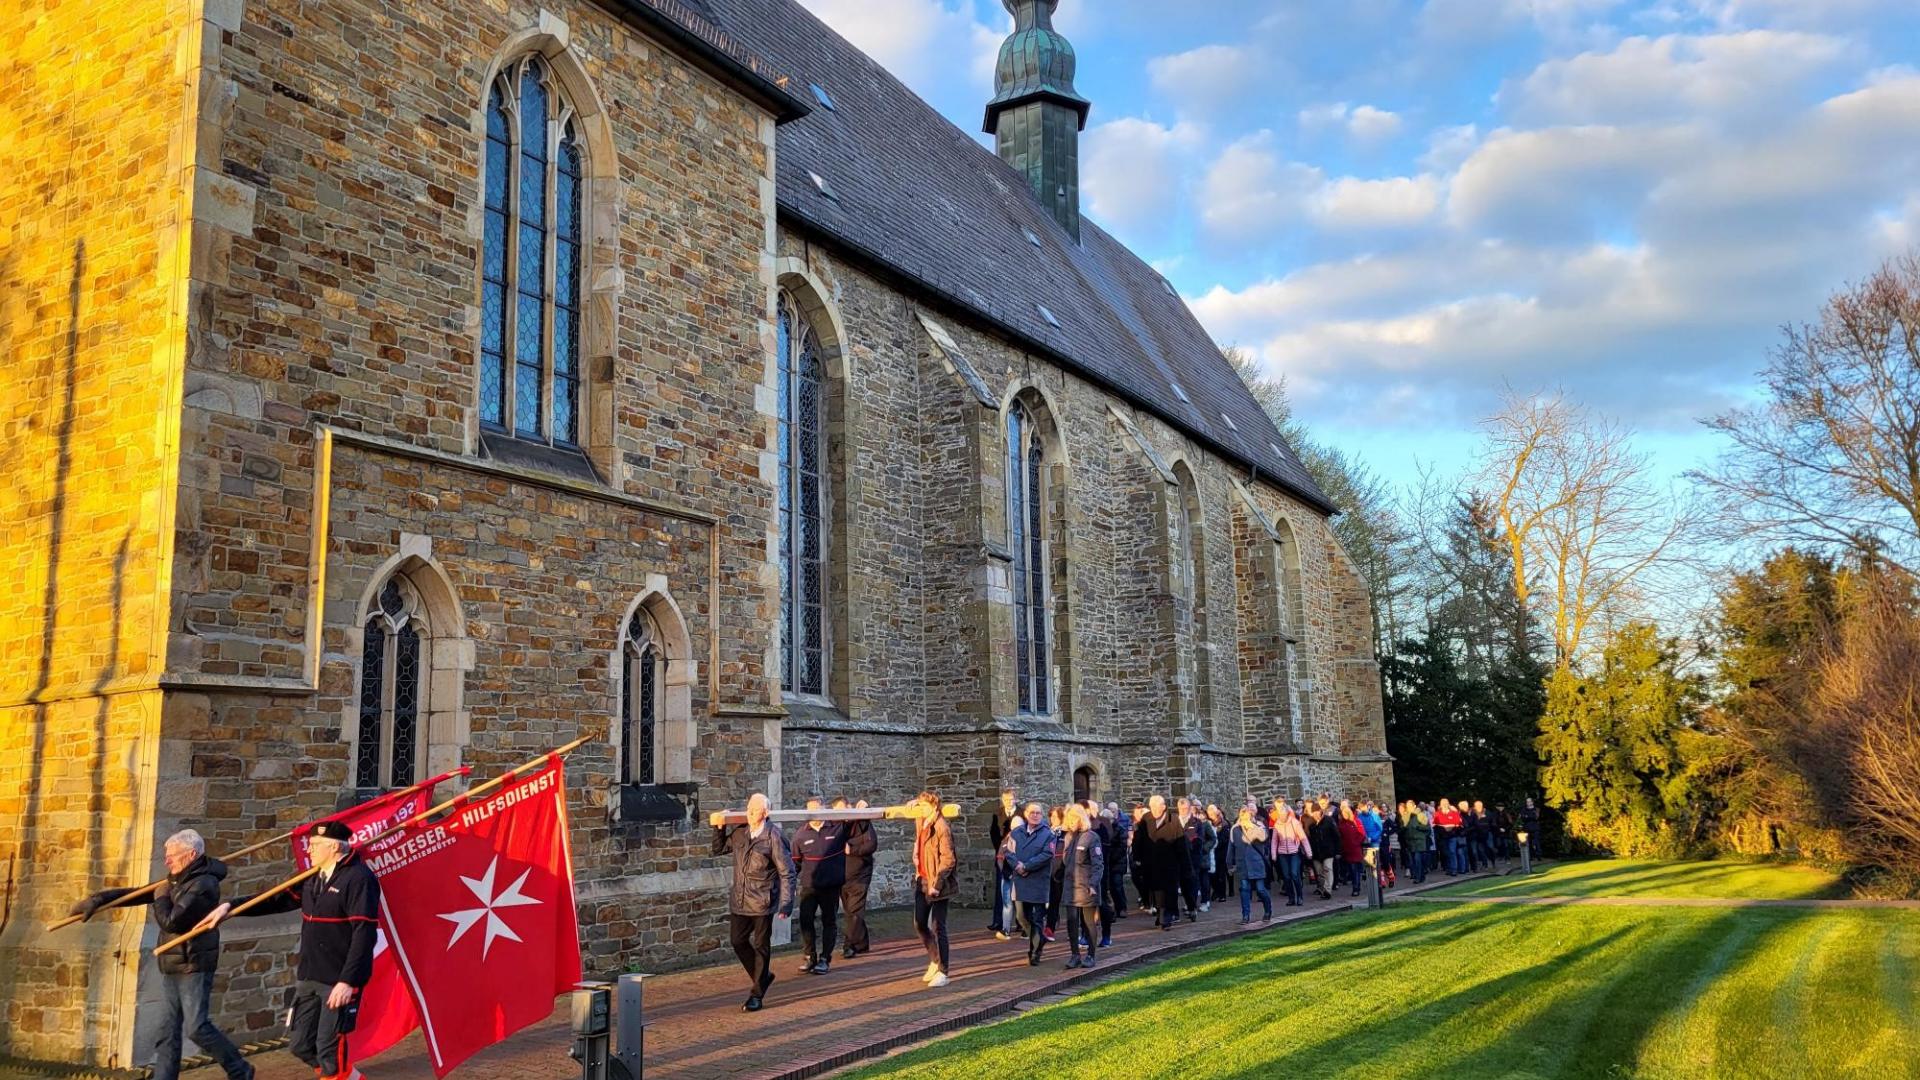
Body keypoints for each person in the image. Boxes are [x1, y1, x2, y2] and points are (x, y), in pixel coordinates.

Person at [198, 820, 378, 1077]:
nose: (309, 850)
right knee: (301, 1045)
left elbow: (364, 933)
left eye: (315, 845)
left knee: (329, 1049)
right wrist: (231, 907)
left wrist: (348, 981)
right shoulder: (311, 877)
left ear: (335, 848)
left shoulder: (359, 879)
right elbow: (275, 899)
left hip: (337, 979)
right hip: (309, 975)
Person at [70, 830, 254, 1080]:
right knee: (167, 1032)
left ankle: (240, 1070)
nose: (167, 861)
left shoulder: (204, 885)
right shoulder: (177, 879)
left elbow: (171, 921)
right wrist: (98, 900)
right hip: (171, 962)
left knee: (197, 1028)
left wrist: (160, 897)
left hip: (193, 964)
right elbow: (139, 892)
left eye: (172, 856)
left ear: (190, 855)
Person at [703, 793, 795, 1011]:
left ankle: (756, 995)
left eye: (755, 810)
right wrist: (719, 827)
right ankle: (763, 976)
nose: (750, 813)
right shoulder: (741, 833)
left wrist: (786, 903)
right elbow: (718, 849)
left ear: (765, 813)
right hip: (740, 899)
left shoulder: (774, 836)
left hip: (762, 901)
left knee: (762, 947)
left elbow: (787, 872)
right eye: (749, 809)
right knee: (737, 941)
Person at [790, 797, 846, 975]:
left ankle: (825, 959)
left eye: (817, 809)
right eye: (811, 811)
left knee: (829, 921)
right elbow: (795, 864)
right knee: (806, 920)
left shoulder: (837, 828)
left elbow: (858, 827)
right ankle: (809, 956)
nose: (814, 814)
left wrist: (862, 809)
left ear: (824, 809)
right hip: (810, 886)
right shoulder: (800, 835)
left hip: (830, 885)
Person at [913, 790, 958, 987]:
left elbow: (948, 859)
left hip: (938, 883)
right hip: (922, 879)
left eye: (924, 806)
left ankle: (943, 971)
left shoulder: (941, 827)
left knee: (939, 927)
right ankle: (933, 959)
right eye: (920, 806)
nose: (921, 809)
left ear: (933, 806)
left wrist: (937, 884)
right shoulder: (922, 822)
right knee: (919, 923)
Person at [1004, 801, 1055, 965]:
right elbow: (1008, 852)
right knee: (1021, 916)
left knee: (1038, 918)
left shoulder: (1048, 834)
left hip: (1038, 881)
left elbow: (1047, 854)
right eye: (1032, 812)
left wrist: (1027, 866)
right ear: (1026, 814)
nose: (1035, 815)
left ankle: (1035, 952)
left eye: (1038, 813)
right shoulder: (1016, 833)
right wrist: (1018, 866)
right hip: (1020, 881)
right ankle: (1039, 939)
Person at [1055, 804, 1104, 968]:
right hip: (1070, 886)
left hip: (1086, 887)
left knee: (1089, 922)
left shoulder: (1091, 837)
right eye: (1069, 819)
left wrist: (1093, 884)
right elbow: (1064, 861)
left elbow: (1098, 864)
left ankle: (1091, 954)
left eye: (1075, 818)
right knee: (1071, 921)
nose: (1072, 822)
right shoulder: (1068, 837)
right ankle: (1074, 954)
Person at [1133, 796, 1186, 930]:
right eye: (1152, 807)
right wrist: (1137, 857)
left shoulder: (1173, 820)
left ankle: (1165, 916)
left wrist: (1184, 863)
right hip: (1151, 863)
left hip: (1169, 863)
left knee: (1168, 890)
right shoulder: (1146, 820)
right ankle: (1160, 914)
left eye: (1157, 807)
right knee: (1156, 890)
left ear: (1163, 807)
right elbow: (1138, 839)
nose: (1155, 810)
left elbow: (1181, 843)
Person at [835, 797, 876, 959]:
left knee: (854, 911)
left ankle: (849, 945)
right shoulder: (836, 827)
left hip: (860, 875)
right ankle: (862, 943)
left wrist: (851, 850)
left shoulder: (862, 822)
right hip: (842, 876)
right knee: (850, 911)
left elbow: (871, 845)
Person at [1228, 808, 1272, 922]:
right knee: (1244, 889)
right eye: (1243, 817)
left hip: (1256, 863)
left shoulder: (1258, 826)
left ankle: (1268, 910)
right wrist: (1229, 864)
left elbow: (1264, 838)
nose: (1245, 819)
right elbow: (1231, 847)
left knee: (1260, 889)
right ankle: (1245, 916)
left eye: (1247, 816)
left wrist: (1253, 827)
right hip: (1242, 864)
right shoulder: (1235, 829)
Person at [987, 790, 1018, 939]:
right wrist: (1000, 849)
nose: (1009, 801)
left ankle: (1019, 922)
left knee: (1018, 891)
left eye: (1011, 799)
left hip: (1018, 857)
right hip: (1002, 856)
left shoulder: (1022, 813)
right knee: (1001, 890)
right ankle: (998, 921)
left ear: (1015, 799)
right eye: (1006, 799)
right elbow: (993, 833)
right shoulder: (997, 814)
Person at [1268, 802, 1311, 908]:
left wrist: (1308, 852)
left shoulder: (1295, 823)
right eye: (1280, 815)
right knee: (1286, 876)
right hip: (1282, 853)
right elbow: (1274, 841)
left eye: (1283, 814)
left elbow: (1303, 838)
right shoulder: (1277, 825)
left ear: (1287, 814)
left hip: (1294, 852)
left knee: (1294, 874)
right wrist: (1273, 854)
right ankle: (1291, 898)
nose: (1282, 816)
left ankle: (1299, 897)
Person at [1176, 797, 1208, 920]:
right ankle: (1180, 909)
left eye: (1187, 808)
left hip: (1192, 859)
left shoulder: (1196, 822)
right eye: (1182, 808)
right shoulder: (1174, 822)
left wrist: (1187, 841)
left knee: (1192, 883)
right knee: (1179, 885)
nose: (1185, 810)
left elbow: (1198, 839)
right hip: (1178, 859)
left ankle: (1192, 907)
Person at [1336, 802, 1369, 898]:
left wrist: (1356, 843)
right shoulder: (1341, 825)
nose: (1345, 815)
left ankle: (1356, 888)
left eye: (1347, 813)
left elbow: (1362, 834)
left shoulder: (1356, 822)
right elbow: (1340, 837)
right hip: (1347, 850)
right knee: (1351, 870)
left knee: (1355, 870)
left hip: (1356, 849)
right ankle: (1355, 886)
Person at [1306, 803, 1339, 900]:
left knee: (1328, 869)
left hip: (1328, 851)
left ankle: (1327, 891)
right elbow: (1309, 839)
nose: (1316, 814)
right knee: (1319, 872)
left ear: (1320, 811)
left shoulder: (1328, 821)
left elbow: (1336, 836)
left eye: (1317, 811)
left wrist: (1337, 851)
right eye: (1314, 812)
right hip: (1316, 852)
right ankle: (1322, 887)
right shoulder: (1311, 824)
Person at [1206, 804, 1232, 904]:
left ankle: (1222, 894)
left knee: (1221, 874)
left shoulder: (1224, 823)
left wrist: (1215, 843)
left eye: (1212, 812)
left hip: (1221, 852)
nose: (1211, 814)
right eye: (1209, 813)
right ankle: (1216, 891)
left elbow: (1224, 838)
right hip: (1211, 852)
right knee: (1212, 875)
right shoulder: (1208, 823)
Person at [1401, 801, 1433, 885]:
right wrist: (1403, 829)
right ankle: (1420, 876)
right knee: (1413, 861)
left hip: (1419, 842)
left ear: (1414, 806)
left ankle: (1418, 877)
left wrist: (1419, 829)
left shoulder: (1421, 815)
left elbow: (1427, 828)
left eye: (1410, 806)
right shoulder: (1405, 816)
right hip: (1410, 842)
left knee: (1418, 860)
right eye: (1407, 806)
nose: (1409, 808)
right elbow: (1402, 828)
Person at [1433, 799, 1465, 875]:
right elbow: (1434, 825)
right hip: (1443, 837)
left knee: (1452, 852)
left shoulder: (1454, 813)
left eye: (1445, 803)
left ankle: (1454, 870)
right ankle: (1449, 869)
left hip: (1452, 836)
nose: (1444, 804)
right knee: (1446, 853)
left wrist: (1451, 829)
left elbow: (1459, 824)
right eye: (1442, 803)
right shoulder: (1437, 814)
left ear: (1448, 804)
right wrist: (1442, 830)